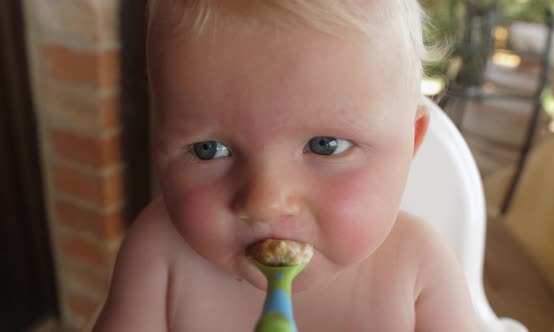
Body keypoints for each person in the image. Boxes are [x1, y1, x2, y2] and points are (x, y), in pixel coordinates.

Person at [93, 0, 477, 330]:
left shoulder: (419, 268)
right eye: (209, 149)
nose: (265, 202)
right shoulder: (157, 254)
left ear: (412, 143)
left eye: (326, 146)